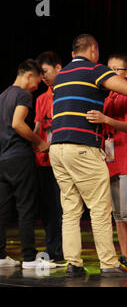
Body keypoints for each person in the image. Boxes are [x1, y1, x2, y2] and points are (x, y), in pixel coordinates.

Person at [48, 34, 127, 278]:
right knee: (99, 208)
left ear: (73, 52)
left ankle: (73, 264)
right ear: (94, 50)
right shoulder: (94, 69)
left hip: (57, 148)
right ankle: (108, 264)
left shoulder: (61, 75)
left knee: (71, 210)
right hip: (82, 147)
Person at [86, 53, 127, 273]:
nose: (109, 74)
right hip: (111, 160)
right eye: (108, 69)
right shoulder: (107, 97)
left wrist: (105, 119)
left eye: (116, 70)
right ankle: (126, 255)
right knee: (117, 214)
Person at [0, 59, 56, 270]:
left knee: (3, 209)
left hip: (3, 160)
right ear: (28, 75)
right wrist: (40, 142)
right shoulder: (23, 95)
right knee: (26, 208)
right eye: (37, 80)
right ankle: (30, 258)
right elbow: (17, 123)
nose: (38, 85)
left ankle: (0, 256)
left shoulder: (3, 95)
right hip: (19, 158)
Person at [34, 51, 63, 262]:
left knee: (64, 208)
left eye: (45, 72)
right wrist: (36, 145)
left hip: (64, 160)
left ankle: (64, 250)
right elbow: (37, 127)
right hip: (44, 161)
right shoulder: (41, 98)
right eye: (40, 73)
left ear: (58, 68)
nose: (42, 77)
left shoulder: (67, 93)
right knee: (49, 208)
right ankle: (52, 249)